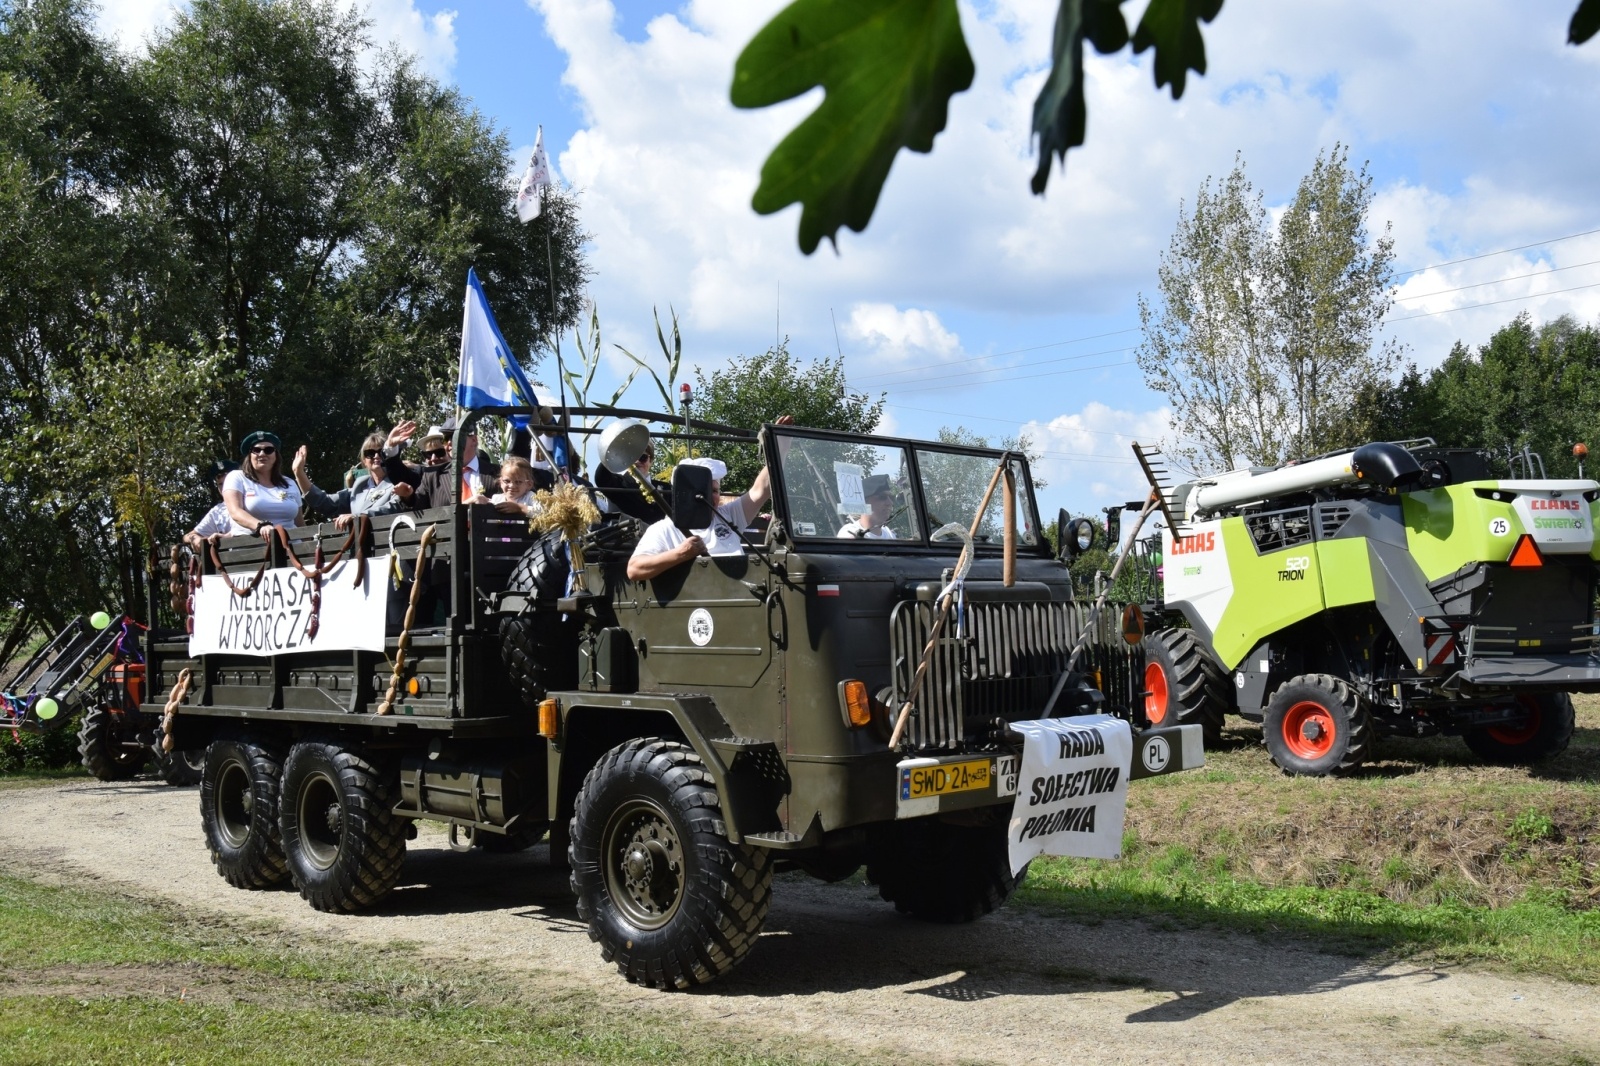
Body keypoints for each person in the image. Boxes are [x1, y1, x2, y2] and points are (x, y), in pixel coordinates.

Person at [626, 415, 794, 581]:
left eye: (715, 490)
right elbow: (634, 569)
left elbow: (761, 490)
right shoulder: (664, 529)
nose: (712, 496)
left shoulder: (728, 515)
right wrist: (680, 553)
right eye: (705, 490)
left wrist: (780, 444)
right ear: (684, 492)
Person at [384, 417, 514, 509]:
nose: (450, 443)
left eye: (455, 437)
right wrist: (408, 496)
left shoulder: (498, 473)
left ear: (474, 440)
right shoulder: (433, 476)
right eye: (446, 439)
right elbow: (417, 506)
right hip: (448, 545)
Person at [292, 431, 413, 529]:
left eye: (381, 452)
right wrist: (299, 473)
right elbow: (325, 503)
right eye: (370, 453)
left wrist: (357, 517)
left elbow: (391, 509)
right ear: (364, 461)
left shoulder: (399, 482)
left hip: (389, 550)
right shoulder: (359, 485)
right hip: (358, 551)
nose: (376, 456)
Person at [223, 431, 302, 539]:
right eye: (256, 450)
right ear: (249, 455)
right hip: (251, 549)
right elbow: (235, 512)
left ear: (276, 455)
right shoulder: (237, 477)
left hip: (292, 546)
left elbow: (299, 523)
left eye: (268, 450)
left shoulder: (290, 483)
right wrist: (260, 526)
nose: (262, 454)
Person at [184, 460, 238, 551]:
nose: (224, 487)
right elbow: (187, 536)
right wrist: (195, 539)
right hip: (232, 562)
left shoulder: (251, 502)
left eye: (228, 482)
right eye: (220, 484)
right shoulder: (217, 511)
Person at [838, 474, 898, 539]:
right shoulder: (849, 533)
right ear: (864, 502)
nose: (890, 503)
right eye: (882, 497)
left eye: (891, 497)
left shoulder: (889, 534)